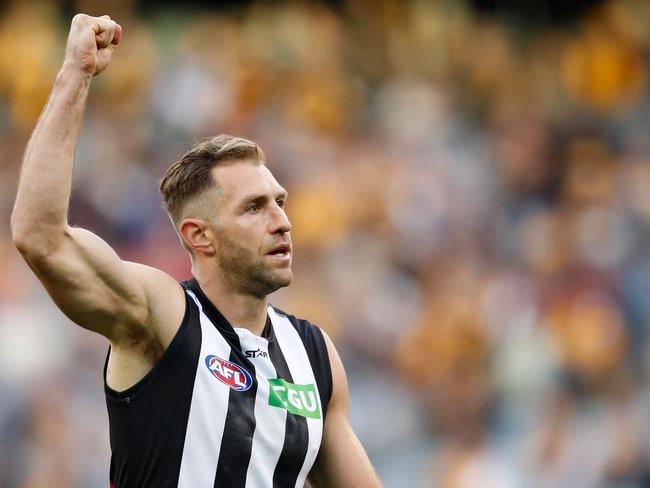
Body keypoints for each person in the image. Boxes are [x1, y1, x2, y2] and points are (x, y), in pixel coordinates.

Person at [10, 13, 382, 488]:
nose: (282, 221)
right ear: (199, 235)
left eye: (280, 203)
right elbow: (40, 236)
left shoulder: (313, 355)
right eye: (254, 208)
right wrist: (75, 75)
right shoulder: (162, 315)